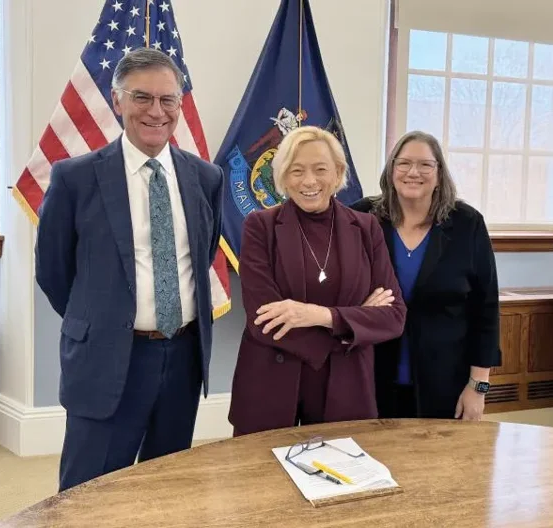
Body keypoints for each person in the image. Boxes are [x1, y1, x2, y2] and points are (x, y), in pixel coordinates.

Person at [35, 48, 224, 492]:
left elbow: (203, 252)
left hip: (182, 357)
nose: (156, 111)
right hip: (106, 357)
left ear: (180, 104)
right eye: (142, 98)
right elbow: (53, 272)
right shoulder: (74, 178)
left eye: (168, 100)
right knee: (89, 493)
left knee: (165, 488)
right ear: (117, 101)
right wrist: (104, 320)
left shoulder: (206, 178)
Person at [228, 126, 406, 436]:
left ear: (338, 173)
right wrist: (352, 322)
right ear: (282, 176)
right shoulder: (260, 226)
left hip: (346, 385)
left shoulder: (366, 228)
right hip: (270, 384)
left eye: (320, 169)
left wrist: (320, 316)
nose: (309, 181)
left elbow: (393, 316)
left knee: (342, 479)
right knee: (262, 480)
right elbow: (263, 318)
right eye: (296, 171)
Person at [351, 130, 501, 420]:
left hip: (446, 384)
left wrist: (478, 387)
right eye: (403, 163)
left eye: (425, 165)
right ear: (391, 170)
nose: (413, 172)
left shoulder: (467, 224)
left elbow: (486, 310)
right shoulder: (362, 217)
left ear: (439, 173)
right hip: (371, 378)